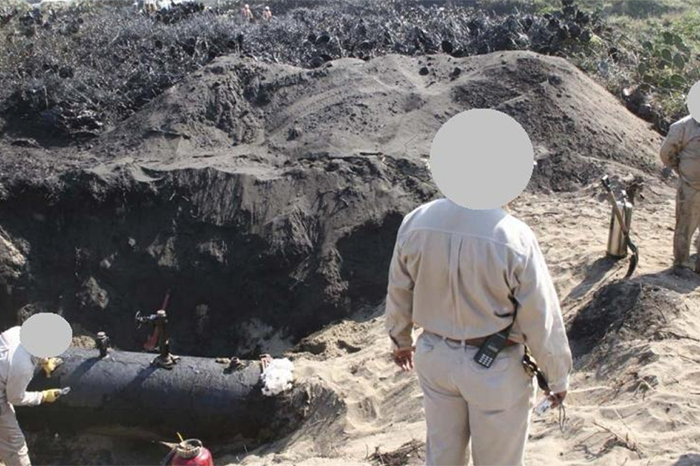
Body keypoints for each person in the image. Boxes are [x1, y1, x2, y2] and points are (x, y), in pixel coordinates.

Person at [385, 199, 572, 466]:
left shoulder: (416, 220)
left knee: (442, 456)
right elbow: (540, 316)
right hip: (495, 366)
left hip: (435, 355)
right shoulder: (514, 235)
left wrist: (401, 340)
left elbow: (399, 289)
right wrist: (557, 376)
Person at [0, 326, 63, 466]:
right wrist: (43, 396)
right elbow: (15, 398)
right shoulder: (23, 368)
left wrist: (44, 361)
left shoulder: (17, 331)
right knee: (14, 443)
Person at [660, 110, 700, 272]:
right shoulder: (683, 126)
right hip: (690, 186)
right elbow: (666, 154)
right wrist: (681, 169)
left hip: (690, 183)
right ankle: (682, 264)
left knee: (685, 225)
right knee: (685, 226)